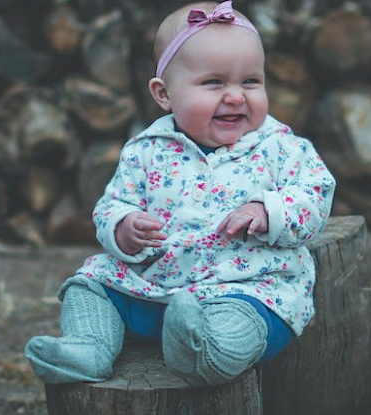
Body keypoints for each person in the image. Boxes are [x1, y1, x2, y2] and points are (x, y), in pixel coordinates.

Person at [25, 0, 336, 385]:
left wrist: (270, 209)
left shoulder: (280, 147)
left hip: (245, 289)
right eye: (214, 83)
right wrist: (124, 227)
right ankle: (88, 346)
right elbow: (112, 205)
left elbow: (316, 192)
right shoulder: (146, 150)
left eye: (251, 81)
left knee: (247, 321)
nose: (237, 96)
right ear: (164, 94)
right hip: (156, 287)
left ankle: (208, 352)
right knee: (91, 283)